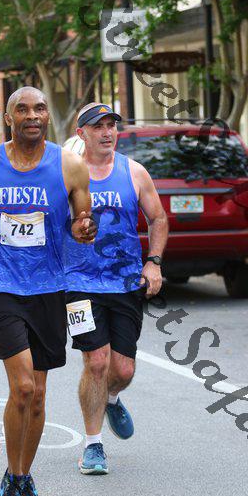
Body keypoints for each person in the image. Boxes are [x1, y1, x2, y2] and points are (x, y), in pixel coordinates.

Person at [0, 87, 95, 496]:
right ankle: (13, 478)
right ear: (8, 117)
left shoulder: (69, 166)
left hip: (49, 285)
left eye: (40, 108)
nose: (33, 115)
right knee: (24, 387)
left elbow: (82, 223)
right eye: (23, 109)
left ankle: (22, 475)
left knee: (39, 395)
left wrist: (84, 229)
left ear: (47, 116)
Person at [64, 102, 168, 474]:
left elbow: (157, 218)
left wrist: (153, 262)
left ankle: (110, 398)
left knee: (122, 370)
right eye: (98, 126)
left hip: (125, 283)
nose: (107, 132)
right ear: (82, 134)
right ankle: (93, 445)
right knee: (96, 361)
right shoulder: (66, 175)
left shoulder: (134, 172)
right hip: (78, 283)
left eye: (111, 125)